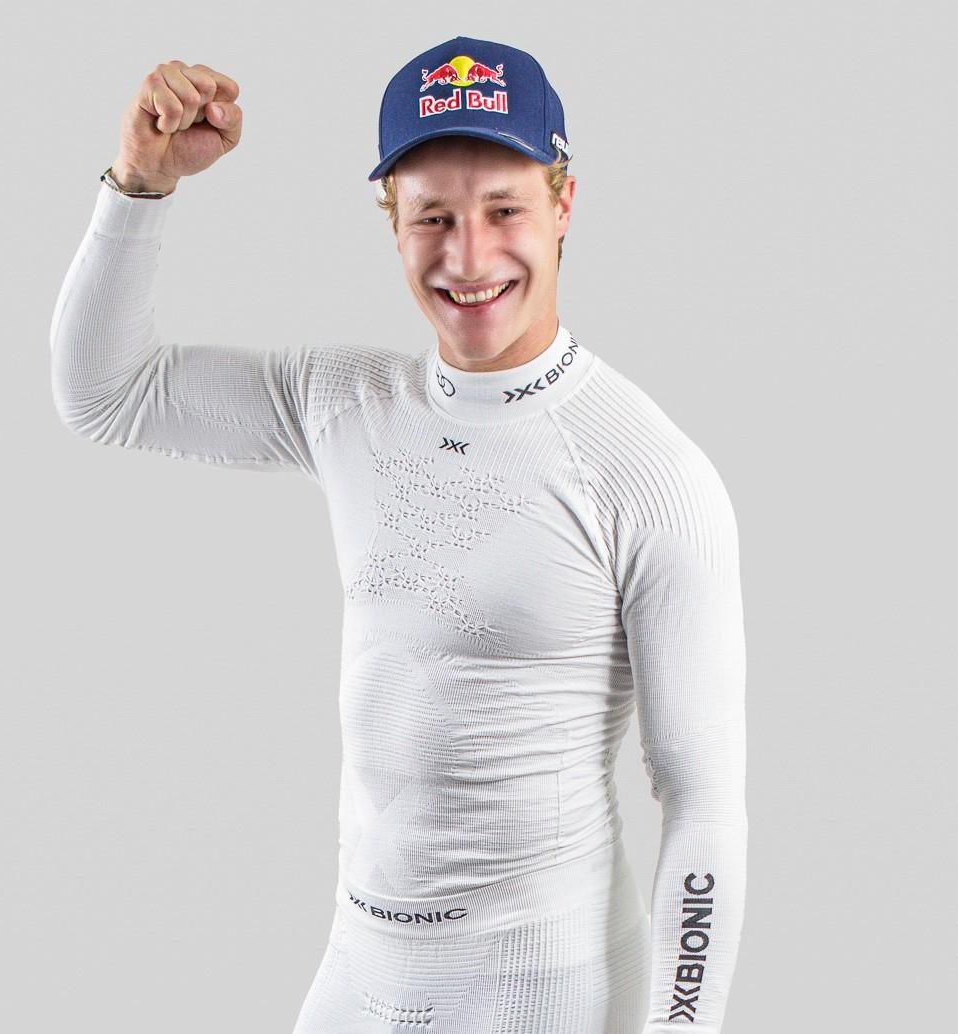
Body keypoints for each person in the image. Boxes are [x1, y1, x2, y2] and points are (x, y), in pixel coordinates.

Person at [50, 35, 748, 1034]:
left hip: (543, 986)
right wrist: (140, 184)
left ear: (564, 205)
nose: (469, 257)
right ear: (393, 223)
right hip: (359, 969)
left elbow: (703, 804)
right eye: (433, 217)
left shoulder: (650, 473)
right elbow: (105, 393)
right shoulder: (346, 401)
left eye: (504, 209)